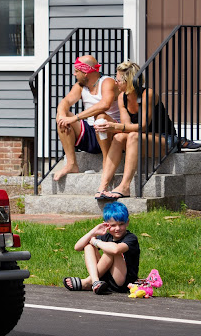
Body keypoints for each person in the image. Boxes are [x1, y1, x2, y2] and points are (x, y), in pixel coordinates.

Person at [93, 61, 177, 200]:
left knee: (133, 137)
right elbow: (126, 127)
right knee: (119, 138)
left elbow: (142, 126)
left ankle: (125, 187)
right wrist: (110, 128)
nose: (115, 83)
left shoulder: (147, 94)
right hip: (142, 139)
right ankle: (103, 186)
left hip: (165, 139)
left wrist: (114, 126)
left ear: (129, 81)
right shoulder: (122, 97)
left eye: (118, 80)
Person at [53, 55, 121, 181]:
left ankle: (107, 161)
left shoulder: (107, 82)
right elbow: (65, 101)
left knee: (100, 116)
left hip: (110, 132)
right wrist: (62, 115)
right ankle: (71, 164)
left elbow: (104, 105)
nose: (74, 74)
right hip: (90, 132)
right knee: (63, 116)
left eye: (76, 71)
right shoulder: (80, 86)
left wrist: (76, 118)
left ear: (85, 73)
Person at [63, 201, 139, 295]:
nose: (117, 228)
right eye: (113, 225)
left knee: (111, 251)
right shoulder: (106, 237)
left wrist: (96, 241)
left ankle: (87, 282)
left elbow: (116, 249)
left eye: (121, 224)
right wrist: (93, 232)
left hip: (122, 282)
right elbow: (77, 247)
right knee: (88, 246)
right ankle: (95, 281)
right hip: (104, 278)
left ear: (127, 222)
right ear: (106, 224)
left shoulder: (131, 238)